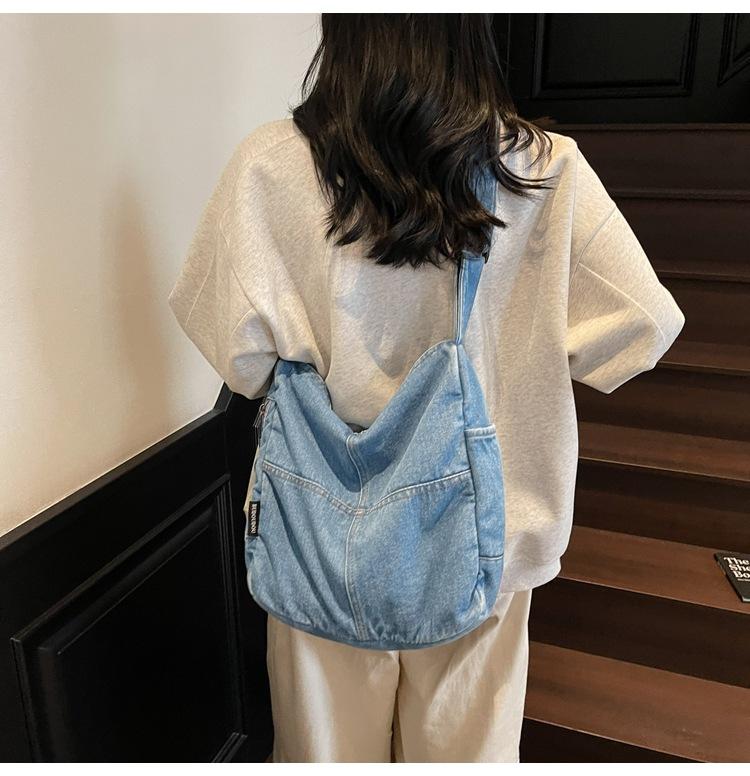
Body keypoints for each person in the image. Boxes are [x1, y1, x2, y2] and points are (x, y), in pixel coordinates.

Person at [167, 13, 685, 763]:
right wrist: (523, 337)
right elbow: (643, 327)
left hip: (321, 544)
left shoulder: (271, 166)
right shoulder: (542, 170)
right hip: (487, 550)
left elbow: (239, 361)